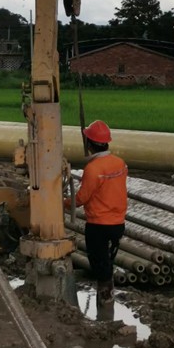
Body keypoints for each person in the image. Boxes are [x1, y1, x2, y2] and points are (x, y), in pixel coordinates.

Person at [64, 120, 128, 305]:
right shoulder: (120, 163)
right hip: (118, 223)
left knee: (99, 263)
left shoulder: (93, 169)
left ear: (89, 144)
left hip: (98, 224)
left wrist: (63, 203)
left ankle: (105, 301)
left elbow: (82, 197)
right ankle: (107, 299)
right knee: (107, 261)